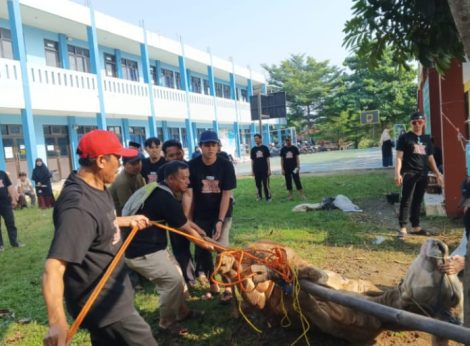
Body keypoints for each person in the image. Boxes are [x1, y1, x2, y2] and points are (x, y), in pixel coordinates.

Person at [42, 130, 157, 346]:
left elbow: (100, 222)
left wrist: (125, 220)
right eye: (118, 159)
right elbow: (53, 268)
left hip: (113, 294)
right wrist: (56, 323)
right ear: (102, 160)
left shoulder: (97, 185)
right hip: (103, 305)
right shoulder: (78, 207)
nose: (121, 165)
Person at [123, 161, 210, 336]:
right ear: (170, 178)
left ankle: (183, 312)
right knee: (172, 281)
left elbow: (183, 220)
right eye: (183, 178)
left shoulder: (160, 189)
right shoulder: (164, 198)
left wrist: (202, 232)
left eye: (188, 177)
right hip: (141, 252)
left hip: (154, 247)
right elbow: (186, 229)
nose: (187, 182)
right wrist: (207, 245)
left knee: (178, 277)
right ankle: (166, 323)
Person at [189, 131, 236, 302]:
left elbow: (226, 195)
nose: (210, 148)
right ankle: (213, 284)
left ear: (218, 147)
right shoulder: (192, 166)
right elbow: (190, 195)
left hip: (222, 213)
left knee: (222, 249)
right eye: (206, 145)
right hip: (201, 214)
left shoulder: (226, 165)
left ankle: (228, 287)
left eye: (213, 145)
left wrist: (220, 221)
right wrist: (190, 219)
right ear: (200, 147)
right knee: (203, 250)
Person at [395, 112, 443, 238]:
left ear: (424, 123)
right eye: (414, 122)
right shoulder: (404, 138)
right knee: (406, 200)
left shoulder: (427, 139)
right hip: (409, 173)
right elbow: (399, 157)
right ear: (411, 123)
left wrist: (438, 174)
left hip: (423, 173)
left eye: (420, 122)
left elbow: (430, 158)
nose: (417, 124)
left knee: (417, 200)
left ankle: (416, 227)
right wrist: (397, 173)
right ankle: (403, 227)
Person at [158, 139, 197, 288]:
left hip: (193, 209)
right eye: (171, 155)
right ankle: (189, 279)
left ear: (182, 152)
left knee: (200, 245)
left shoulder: (187, 168)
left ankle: (203, 272)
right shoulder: (163, 171)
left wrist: (186, 218)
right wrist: (181, 221)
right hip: (173, 212)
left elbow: (189, 193)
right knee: (179, 246)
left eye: (177, 154)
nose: (175, 157)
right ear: (165, 156)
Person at [0, 170, 23, 251]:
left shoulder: (2, 174)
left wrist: (13, 199)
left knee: (10, 223)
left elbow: (9, 187)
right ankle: (0, 246)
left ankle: (14, 242)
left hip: (5, 203)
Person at [250, 134, 272, 201]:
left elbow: (267, 159)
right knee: (258, 184)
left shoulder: (265, 148)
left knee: (266, 184)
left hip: (264, 169)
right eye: (255, 139)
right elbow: (252, 160)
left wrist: (269, 169)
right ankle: (259, 197)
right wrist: (252, 170)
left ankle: (268, 197)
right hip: (256, 170)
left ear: (260, 139)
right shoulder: (253, 149)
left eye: (257, 138)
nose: (256, 140)